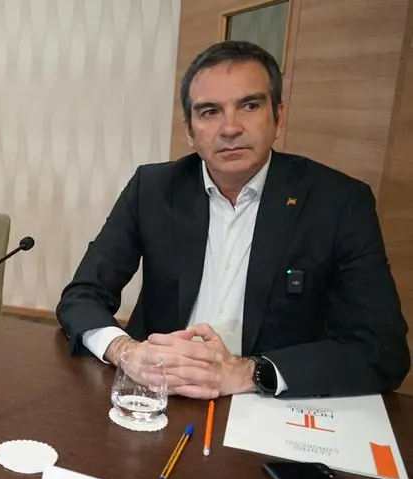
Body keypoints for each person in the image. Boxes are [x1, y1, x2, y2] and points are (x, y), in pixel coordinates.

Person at [56, 41, 409, 399]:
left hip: (264, 400)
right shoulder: (153, 189)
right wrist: (126, 351)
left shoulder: (338, 202)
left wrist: (249, 372)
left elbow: (382, 350)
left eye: (250, 106)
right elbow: (81, 296)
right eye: (210, 112)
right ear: (190, 132)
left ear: (278, 117)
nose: (230, 127)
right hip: (158, 393)